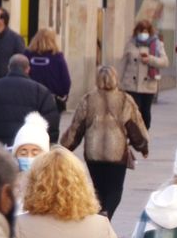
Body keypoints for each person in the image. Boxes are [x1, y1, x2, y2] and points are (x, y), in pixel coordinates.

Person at [60, 65, 149, 218]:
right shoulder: (124, 100)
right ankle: (106, 215)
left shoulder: (88, 99)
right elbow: (135, 127)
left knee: (98, 189)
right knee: (115, 190)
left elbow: (77, 127)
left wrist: (65, 147)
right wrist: (143, 146)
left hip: (93, 153)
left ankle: (101, 216)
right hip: (116, 154)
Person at [0, 54, 59, 150]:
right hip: (29, 148)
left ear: (9, 68)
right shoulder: (41, 91)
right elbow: (50, 123)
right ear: (28, 69)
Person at [119, 20, 168, 130]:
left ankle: (144, 133)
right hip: (131, 84)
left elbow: (165, 62)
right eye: (140, 31)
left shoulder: (156, 44)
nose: (142, 34)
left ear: (149, 32)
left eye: (145, 31)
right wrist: (118, 82)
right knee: (133, 112)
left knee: (145, 113)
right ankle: (134, 134)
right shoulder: (130, 43)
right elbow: (123, 63)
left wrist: (150, 59)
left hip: (148, 85)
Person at [26, 28, 73, 112]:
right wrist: (63, 94)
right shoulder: (57, 57)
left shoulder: (27, 55)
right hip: (53, 101)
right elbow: (66, 81)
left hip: (30, 99)